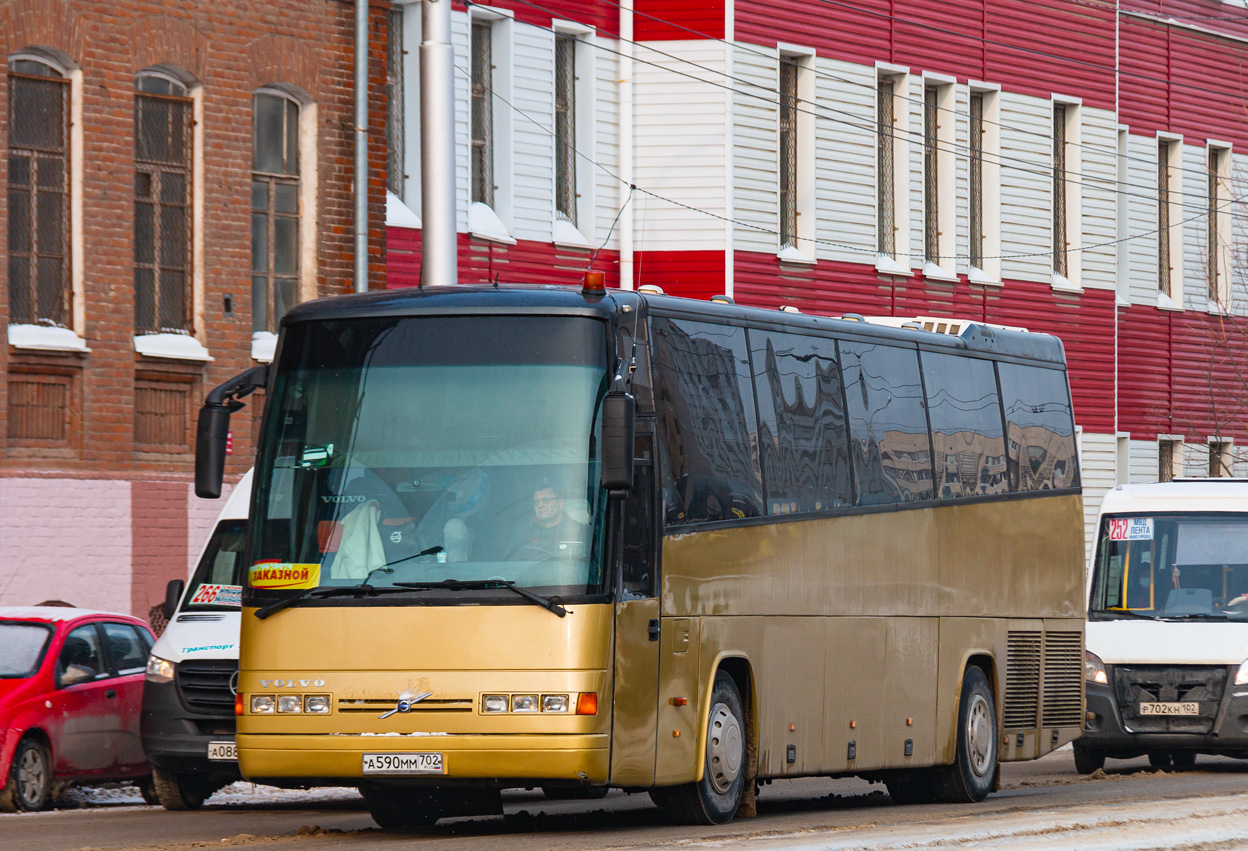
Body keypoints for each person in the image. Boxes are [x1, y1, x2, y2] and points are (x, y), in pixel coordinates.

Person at [507, 479, 588, 560]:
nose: (540, 505)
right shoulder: (522, 533)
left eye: (546, 500)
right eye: (536, 502)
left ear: (560, 503)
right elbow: (509, 565)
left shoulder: (578, 531)